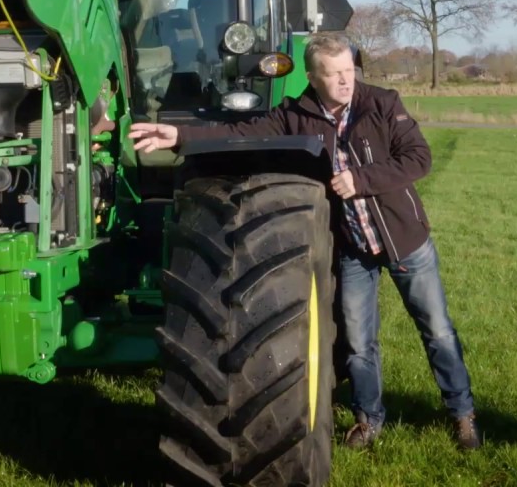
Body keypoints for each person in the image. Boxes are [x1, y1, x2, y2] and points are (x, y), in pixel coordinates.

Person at [128, 32, 481, 450]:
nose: (345, 81)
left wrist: (361, 180)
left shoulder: (382, 103)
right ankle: (369, 419)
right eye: (333, 74)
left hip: (405, 242)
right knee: (357, 342)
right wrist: (183, 137)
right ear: (313, 77)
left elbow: (418, 158)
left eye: (349, 70)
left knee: (436, 330)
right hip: (352, 249)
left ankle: (463, 415)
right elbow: (243, 129)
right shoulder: (297, 114)